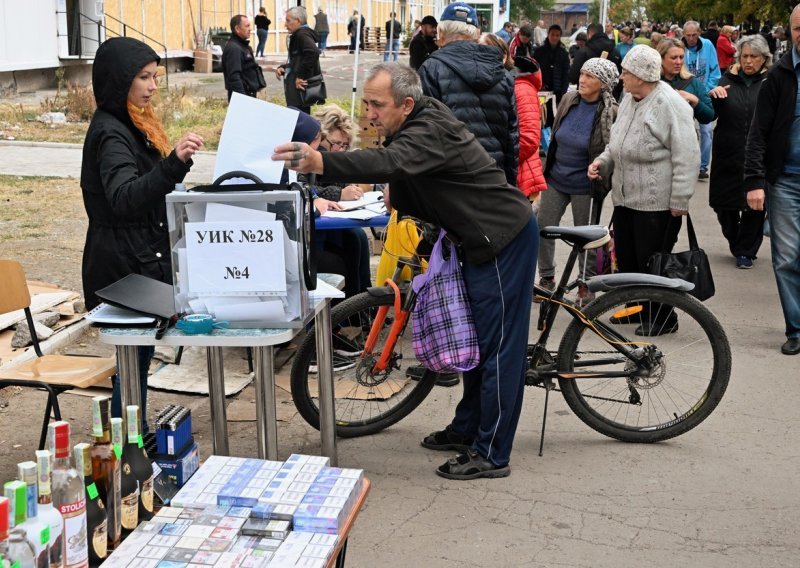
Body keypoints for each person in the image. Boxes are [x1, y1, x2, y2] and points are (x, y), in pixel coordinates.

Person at [272, 62, 537, 480]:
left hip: (501, 238)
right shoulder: (416, 121)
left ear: (406, 103)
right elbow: (404, 167)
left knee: (499, 348)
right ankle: (468, 428)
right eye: (367, 103)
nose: (369, 113)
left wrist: (321, 161)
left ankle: (492, 452)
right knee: (475, 342)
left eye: (377, 104)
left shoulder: (427, 128)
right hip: (475, 239)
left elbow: (391, 161)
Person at [81, 37, 204, 428]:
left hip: (137, 255)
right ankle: (129, 444)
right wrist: (172, 164)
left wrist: (174, 172)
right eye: (144, 78)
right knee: (133, 361)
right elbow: (123, 198)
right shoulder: (112, 132)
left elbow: (146, 188)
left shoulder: (132, 121)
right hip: (122, 264)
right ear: (120, 82)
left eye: (155, 76)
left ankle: (134, 436)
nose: (153, 86)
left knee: (137, 360)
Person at [588, 45, 699, 336]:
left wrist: (680, 199)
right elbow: (616, 142)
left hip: (658, 202)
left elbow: (687, 154)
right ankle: (639, 307)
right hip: (625, 198)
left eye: (626, 72)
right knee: (628, 259)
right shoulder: (629, 99)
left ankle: (664, 317)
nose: (621, 76)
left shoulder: (670, 104)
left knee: (654, 263)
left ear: (642, 75)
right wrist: (603, 161)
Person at [538, 58, 619, 303]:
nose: (582, 80)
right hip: (556, 177)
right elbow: (554, 136)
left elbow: (613, 148)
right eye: (582, 74)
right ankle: (547, 278)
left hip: (586, 185)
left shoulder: (611, 111)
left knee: (586, 237)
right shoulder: (568, 99)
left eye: (590, 76)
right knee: (543, 228)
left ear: (603, 84)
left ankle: (587, 284)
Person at [744, 4, 800, 356]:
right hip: (786, 182)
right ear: (790, 31)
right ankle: (796, 328)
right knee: (787, 257)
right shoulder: (779, 77)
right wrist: (755, 181)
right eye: (798, 29)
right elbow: (758, 133)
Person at [419, 2, 518, 185]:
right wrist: (511, 186)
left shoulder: (431, 69)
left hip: (451, 182)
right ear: (477, 33)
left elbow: (427, 135)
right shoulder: (503, 73)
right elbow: (512, 136)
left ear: (440, 34)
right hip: (494, 180)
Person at [708, 34, 770, 270]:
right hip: (728, 152)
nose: (748, 61)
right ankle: (736, 241)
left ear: (764, 59)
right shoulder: (726, 80)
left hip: (758, 155)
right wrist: (712, 97)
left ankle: (746, 250)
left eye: (754, 57)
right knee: (723, 205)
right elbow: (710, 114)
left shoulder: (769, 82)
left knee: (756, 205)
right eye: (744, 56)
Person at [682, 20, 720, 180]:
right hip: (684, 96)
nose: (691, 38)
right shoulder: (680, 47)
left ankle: (703, 167)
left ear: (699, 33)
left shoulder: (708, 46)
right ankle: (685, 164)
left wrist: (706, 90)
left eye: (694, 35)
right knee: (684, 131)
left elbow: (715, 71)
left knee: (706, 131)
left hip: (703, 94)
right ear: (684, 35)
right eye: (688, 35)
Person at [657, 38, 715, 125]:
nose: (679, 62)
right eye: (673, 58)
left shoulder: (692, 82)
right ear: (661, 58)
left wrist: (695, 101)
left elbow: (709, 116)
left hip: (685, 136)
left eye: (681, 57)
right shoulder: (652, 82)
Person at [276, 7, 321, 115]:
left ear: (298, 21)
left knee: (298, 119)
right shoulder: (299, 34)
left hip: (298, 89)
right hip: (295, 88)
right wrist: (284, 67)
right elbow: (298, 59)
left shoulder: (302, 34)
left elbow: (313, 52)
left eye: (288, 21)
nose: (285, 25)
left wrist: (300, 75)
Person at [222, 14, 265, 101]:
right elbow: (234, 78)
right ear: (237, 29)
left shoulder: (243, 46)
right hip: (242, 98)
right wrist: (243, 101)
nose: (250, 29)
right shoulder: (234, 48)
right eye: (247, 26)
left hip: (249, 95)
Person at [533, 24, 571, 103]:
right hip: (542, 89)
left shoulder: (563, 53)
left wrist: (563, 91)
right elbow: (534, 70)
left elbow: (566, 74)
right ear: (548, 35)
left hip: (558, 91)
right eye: (552, 35)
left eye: (557, 35)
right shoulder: (539, 51)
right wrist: (539, 84)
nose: (554, 37)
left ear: (560, 37)